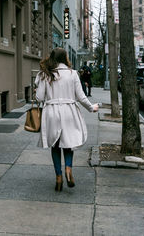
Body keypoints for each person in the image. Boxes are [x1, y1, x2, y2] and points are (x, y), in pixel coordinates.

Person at [35, 48, 99, 192]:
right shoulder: (73, 74)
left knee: (55, 145)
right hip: (69, 111)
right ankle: (68, 169)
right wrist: (91, 108)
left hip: (51, 112)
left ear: (52, 58)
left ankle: (58, 177)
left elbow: (39, 98)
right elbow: (81, 96)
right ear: (65, 58)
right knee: (68, 143)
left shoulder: (46, 74)